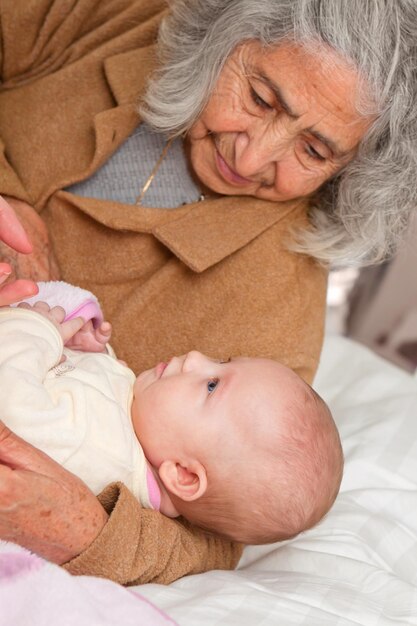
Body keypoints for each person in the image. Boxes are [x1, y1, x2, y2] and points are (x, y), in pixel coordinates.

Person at [0, 0, 415, 583]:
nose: (253, 157)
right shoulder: (118, 18)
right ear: (224, 36)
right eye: (261, 99)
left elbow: (213, 531)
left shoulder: (275, 318)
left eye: (314, 150)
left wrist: (84, 530)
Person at [0, 298, 343, 545]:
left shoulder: (97, 447)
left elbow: (11, 399)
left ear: (183, 474)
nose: (195, 358)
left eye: (212, 385)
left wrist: (36, 330)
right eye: (221, 361)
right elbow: (88, 389)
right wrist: (84, 350)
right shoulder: (135, 423)